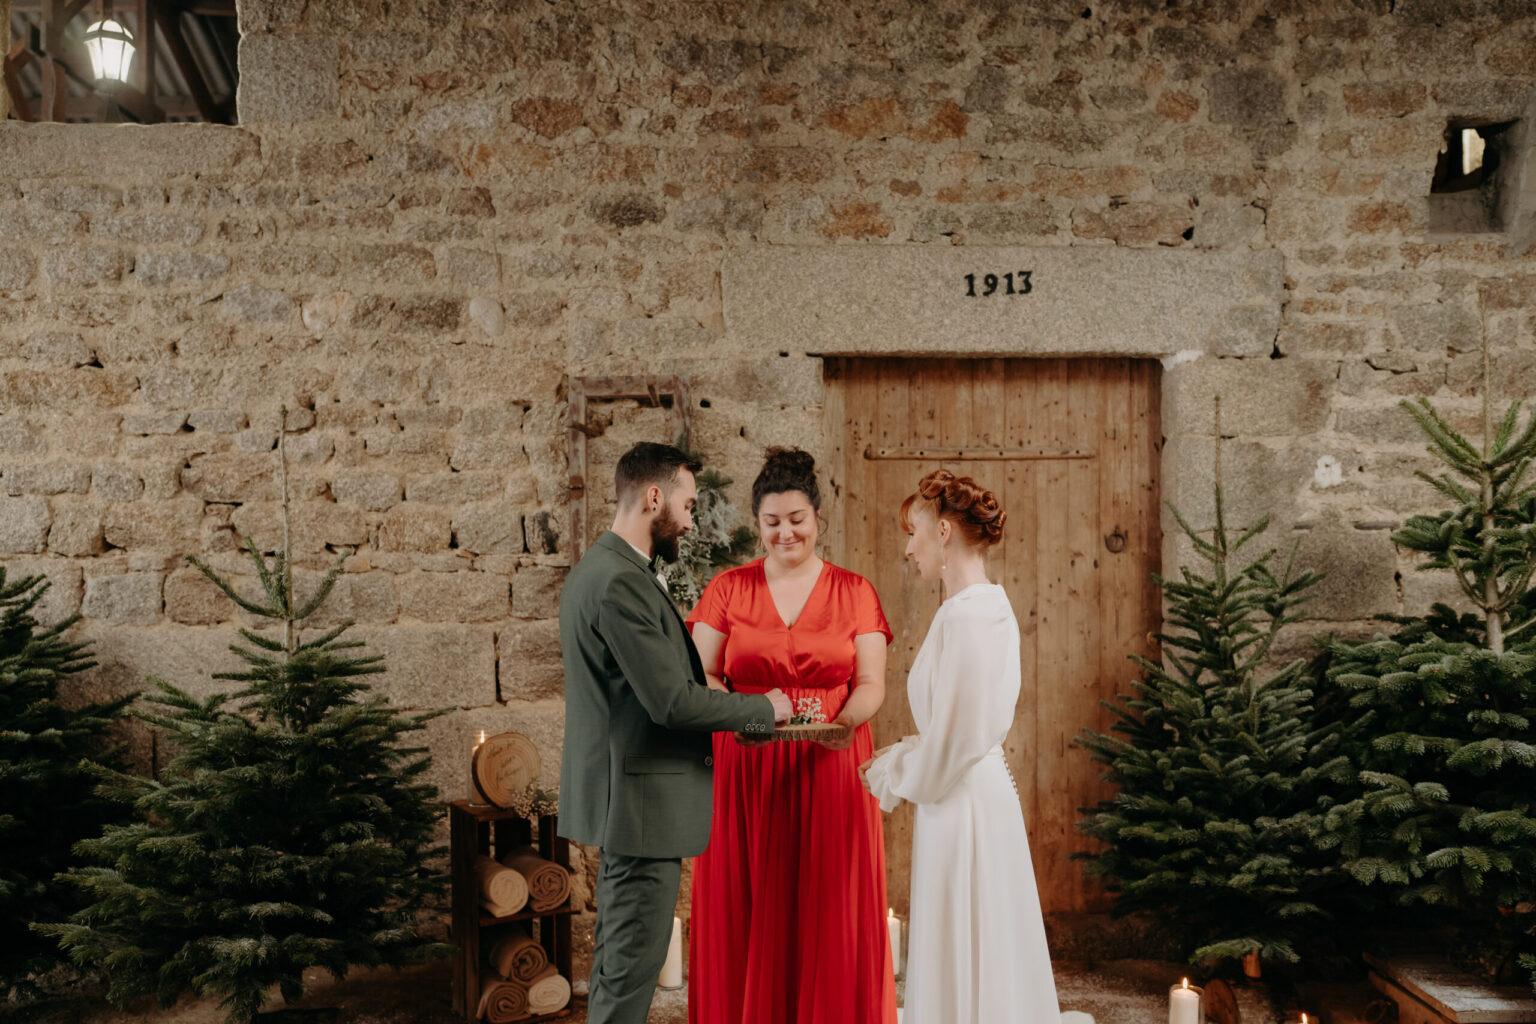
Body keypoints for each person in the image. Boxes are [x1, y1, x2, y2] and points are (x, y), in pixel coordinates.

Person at [558, 442, 794, 1024]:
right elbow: (670, 703)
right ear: (654, 496)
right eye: (687, 506)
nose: (690, 521)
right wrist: (761, 708)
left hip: (630, 806)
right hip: (641, 811)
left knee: (620, 966)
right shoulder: (619, 582)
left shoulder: (607, 570)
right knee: (630, 973)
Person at [687, 447, 898, 1024]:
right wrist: (747, 710)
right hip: (746, 761)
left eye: (797, 519)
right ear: (758, 524)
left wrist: (847, 723)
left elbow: (872, 681)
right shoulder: (728, 588)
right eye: (772, 522)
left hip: (832, 760)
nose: (786, 533)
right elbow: (700, 673)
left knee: (828, 903)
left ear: (818, 517)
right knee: (746, 904)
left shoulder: (855, 591)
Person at [861, 469, 1060, 1024]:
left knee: (971, 934)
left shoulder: (974, 614)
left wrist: (894, 772)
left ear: (944, 532)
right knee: (960, 938)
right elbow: (952, 728)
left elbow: (957, 739)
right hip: (954, 795)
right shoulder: (965, 609)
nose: (908, 548)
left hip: (964, 800)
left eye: (914, 532)